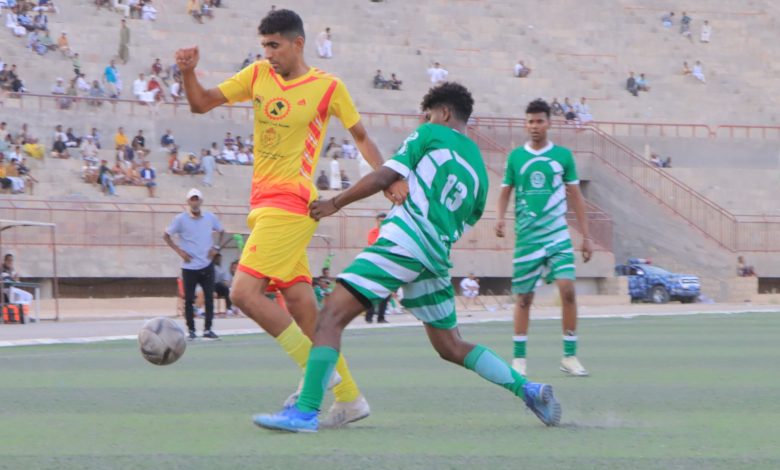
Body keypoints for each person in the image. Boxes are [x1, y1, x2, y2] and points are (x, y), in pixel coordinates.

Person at [254, 82, 561, 433]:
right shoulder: (480, 172)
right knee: (451, 345)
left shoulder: (430, 133)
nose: (426, 120)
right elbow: (466, 219)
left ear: (444, 113)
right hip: (436, 255)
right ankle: (528, 389)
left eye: (429, 114)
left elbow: (385, 175)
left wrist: (334, 203)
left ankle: (306, 411)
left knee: (329, 318)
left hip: (405, 240)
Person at [175, 8, 407, 426]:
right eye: (264, 46)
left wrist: (388, 177)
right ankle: (350, 399)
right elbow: (201, 103)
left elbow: (361, 137)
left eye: (274, 45)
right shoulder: (257, 75)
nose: (268, 54)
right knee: (303, 306)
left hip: (292, 204)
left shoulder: (328, 87)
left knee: (244, 293)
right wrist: (188, 73)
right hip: (263, 206)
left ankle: (317, 377)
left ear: (298, 44)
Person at [495, 99, 593, 378]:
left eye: (540, 121)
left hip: (557, 234)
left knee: (567, 289)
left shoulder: (563, 156)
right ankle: (519, 360)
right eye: (530, 121)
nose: (535, 126)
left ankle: (569, 356)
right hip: (527, 237)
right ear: (525, 125)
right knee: (524, 298)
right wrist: (500, 218)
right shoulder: (516, 157)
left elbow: (577, 197)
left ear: (549, 123)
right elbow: (505, 191)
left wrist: (586, 236)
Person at [164, 188, 225, 339]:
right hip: (189, 266)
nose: (195, 202)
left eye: (197, 199)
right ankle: (191, 330)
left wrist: (216, 248)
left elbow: (221, 231)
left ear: (201, 201)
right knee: (189, 299)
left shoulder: (210, 217)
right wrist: (180, 252)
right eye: (192, 199)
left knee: (209, 297)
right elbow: (166, 236)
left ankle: (208, 329)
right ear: (188, 202)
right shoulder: (180, 219)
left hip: (206, 263)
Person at [364, 212, 389, 323]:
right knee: (372, 291)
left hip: (387, 265)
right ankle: (369, 316)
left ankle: (381, 317)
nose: (382, 223)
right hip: (374, 264)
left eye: (384, 221)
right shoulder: (373, 232)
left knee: (386, 292)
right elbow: (375, 245)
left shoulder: (390, 232)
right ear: (377, 221)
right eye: (380, 221)